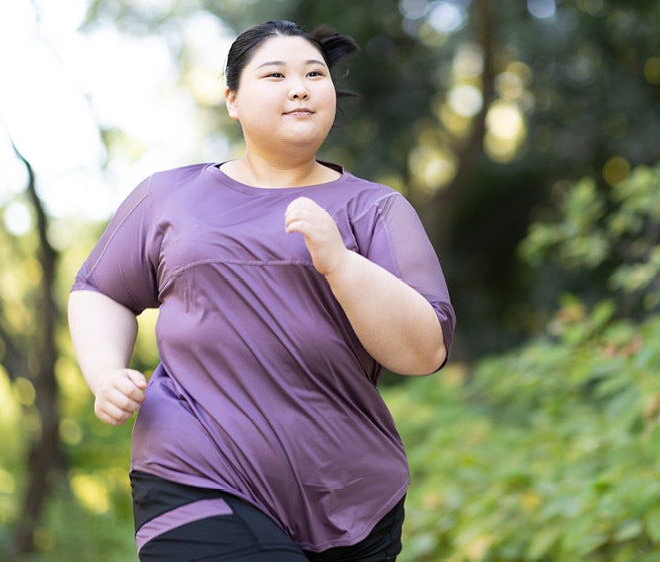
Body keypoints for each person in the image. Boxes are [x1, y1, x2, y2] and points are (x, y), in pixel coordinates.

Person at [67, 19, 455, 561]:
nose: (299, 86)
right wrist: (106, 372)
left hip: (353, 499)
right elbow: (99, 290)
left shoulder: (377, 210)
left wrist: (340, 264)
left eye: (314, 73)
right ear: (232, 99)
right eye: (275, 74)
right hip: (194, 474)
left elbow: (424, 350)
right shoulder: (169, 197)